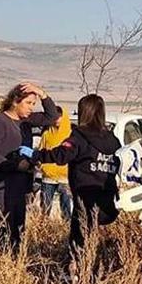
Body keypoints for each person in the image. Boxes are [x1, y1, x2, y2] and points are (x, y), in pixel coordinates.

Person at [0, 82, 58, 252]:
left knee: (17, 230)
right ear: (15, 101)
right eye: (28, 103)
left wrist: (42, 94)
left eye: (33, 104)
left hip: (19, 184)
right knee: (0, 229)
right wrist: (14, 165)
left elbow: (52, 116)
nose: (31, 108)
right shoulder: (0, 121)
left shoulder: (26, 121)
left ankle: (14, 262)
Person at [35, 94, 120, 251]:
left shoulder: (80, 136)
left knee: (79, 244)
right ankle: (96, 269)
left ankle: (78, 272)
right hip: (107, 201)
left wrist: (36, 155)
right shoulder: (113, 139)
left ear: (83, 112)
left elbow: (61, 155)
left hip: (85, 200)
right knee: (98, 244)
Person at [38, 106, 73, 220]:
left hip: (65, 177)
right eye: (55, 117)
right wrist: (42, 166)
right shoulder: (47, 134)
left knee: (66, 208)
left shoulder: (71, 134)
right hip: (48, 177)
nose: (57, 120)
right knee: (45, 208)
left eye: (59, 117)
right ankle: (44, 230)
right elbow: (41, 150)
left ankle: (67, 230)